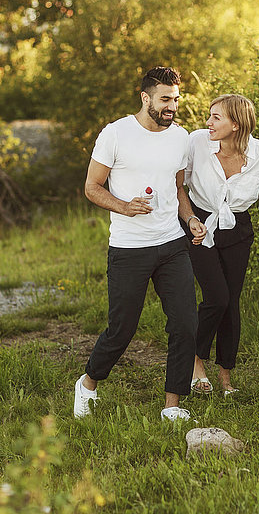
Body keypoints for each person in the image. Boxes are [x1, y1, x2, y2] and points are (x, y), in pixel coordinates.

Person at [74, 66, 207, 421]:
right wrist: (123, 206)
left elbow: (178, 188)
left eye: (176, 100)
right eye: (165, 99)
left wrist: (191, 218)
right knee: (122, 329)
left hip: (171, 244)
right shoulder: (115, 134)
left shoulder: (180, 138)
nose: (172, 107)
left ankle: (172, 405)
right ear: (145, 97)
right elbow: (92, 186)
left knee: (185, 324)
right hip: (129, 248)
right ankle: (88, 382)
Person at [180, 94, 259, 396]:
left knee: (232, 302)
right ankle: (195, 360)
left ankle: (226, 376)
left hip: (237, 229)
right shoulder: (197, 142)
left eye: (216, 117)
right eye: (209, 116)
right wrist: (189, 220)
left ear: (236, 124)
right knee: (217, 297)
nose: (207, 122)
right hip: (199, 224)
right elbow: (180, 186)